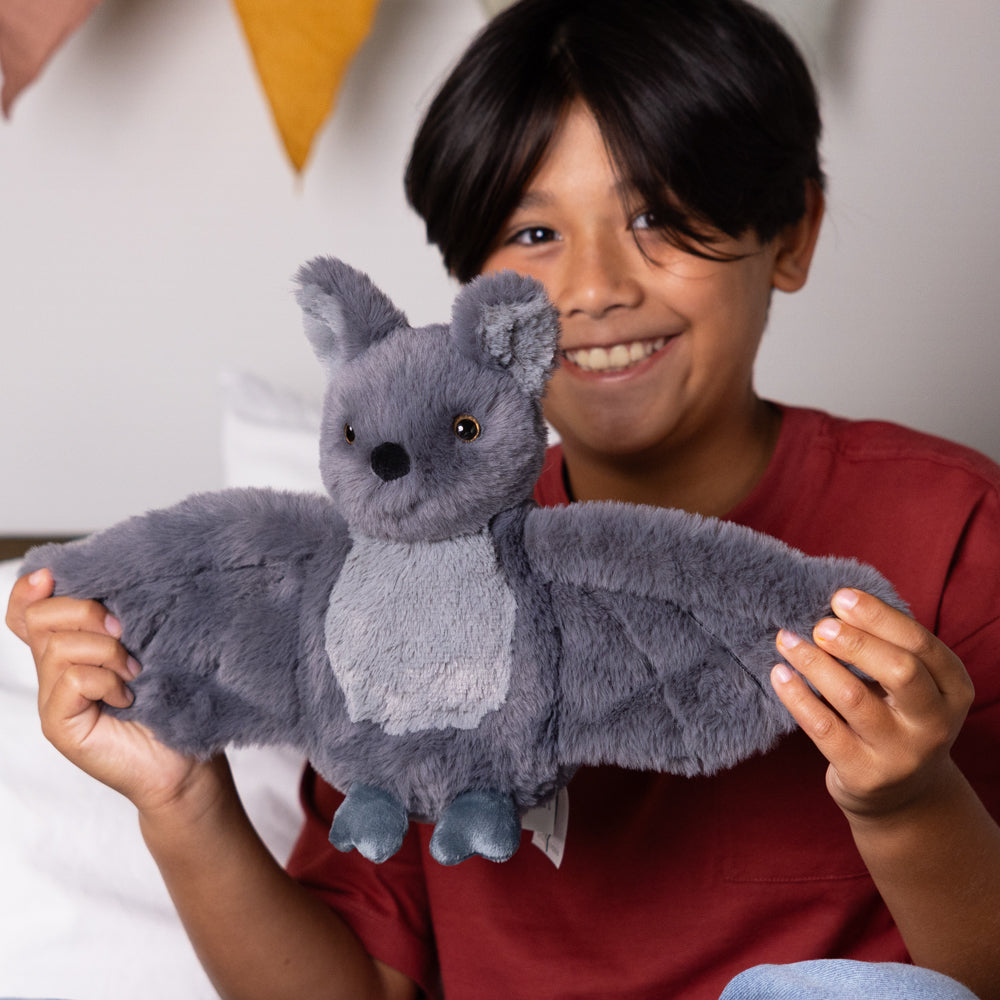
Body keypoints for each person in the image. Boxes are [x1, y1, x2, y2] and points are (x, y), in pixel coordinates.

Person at [6, 1, 1000, 998]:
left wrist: (909, 802)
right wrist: (179, 798)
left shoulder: (950, 531)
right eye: (533, 231)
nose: (595, 286)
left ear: (790, 234)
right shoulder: (388, 576)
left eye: (655, 216)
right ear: (470, 288)